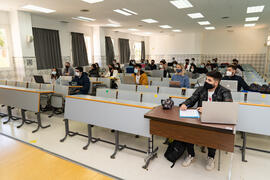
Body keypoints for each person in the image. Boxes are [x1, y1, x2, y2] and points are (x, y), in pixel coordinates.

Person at [180, 71, 233, 171]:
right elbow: (192, 99)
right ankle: (191, 154)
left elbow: (228, 108)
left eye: (209, 80)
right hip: (199, 118)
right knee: (188, 130)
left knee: (212, 133)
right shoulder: (201, 89)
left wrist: (208, 110)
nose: (206, 81)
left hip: (215, 119)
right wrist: (185, 104)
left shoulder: (225, 91)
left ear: (216, 83)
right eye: (206, 79)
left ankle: (211, 157)